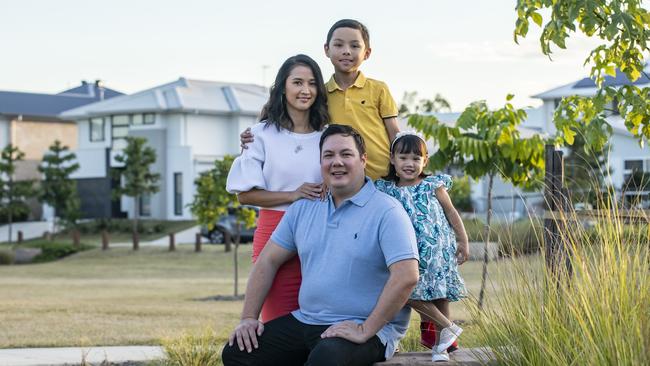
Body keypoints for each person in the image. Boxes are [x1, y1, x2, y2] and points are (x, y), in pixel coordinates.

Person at [221, 124, 420, 366]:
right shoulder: (304, 208)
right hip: (306, 320)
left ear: (363, 160)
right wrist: (248, 318)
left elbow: (407, 276)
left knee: (327, 357)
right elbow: (268, 260)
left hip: (362, 327)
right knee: (238, 352)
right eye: (328, 155)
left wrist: (366, 329)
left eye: (346, 154)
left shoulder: (387, 211)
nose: (337, 162)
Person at [225, 54, 329, 323]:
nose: (305, 90)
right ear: (283, 86)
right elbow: (245, 194)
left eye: (312, 83)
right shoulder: (259, 134)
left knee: (321, 324)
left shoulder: (328, 135)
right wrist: (293, 194)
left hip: (322, 234)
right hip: (275, 233)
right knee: (277, 325)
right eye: (297, 82)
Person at [240, 19, 400, 181]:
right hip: (341, 180)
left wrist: (404, 166)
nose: (346, 51)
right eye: (338, 45)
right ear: (326, 49)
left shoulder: (379, 89)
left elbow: (395, 134)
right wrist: (254, 135)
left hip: (383, 178)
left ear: (367, 53)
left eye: (354, 46)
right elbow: (295, 122)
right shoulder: (319, 94)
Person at [374, 132, 469, 362]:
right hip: (406, 256)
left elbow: (451, 213)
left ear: (425, 162)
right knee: (405, 293)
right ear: (392, 159)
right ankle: (448, 326)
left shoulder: (432, 186)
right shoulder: (386, 189)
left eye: (416, 159)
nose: (409, 163)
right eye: (403, 157)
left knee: (441, 297)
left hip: (438, 253)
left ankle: (441, 347)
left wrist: (463, 240)